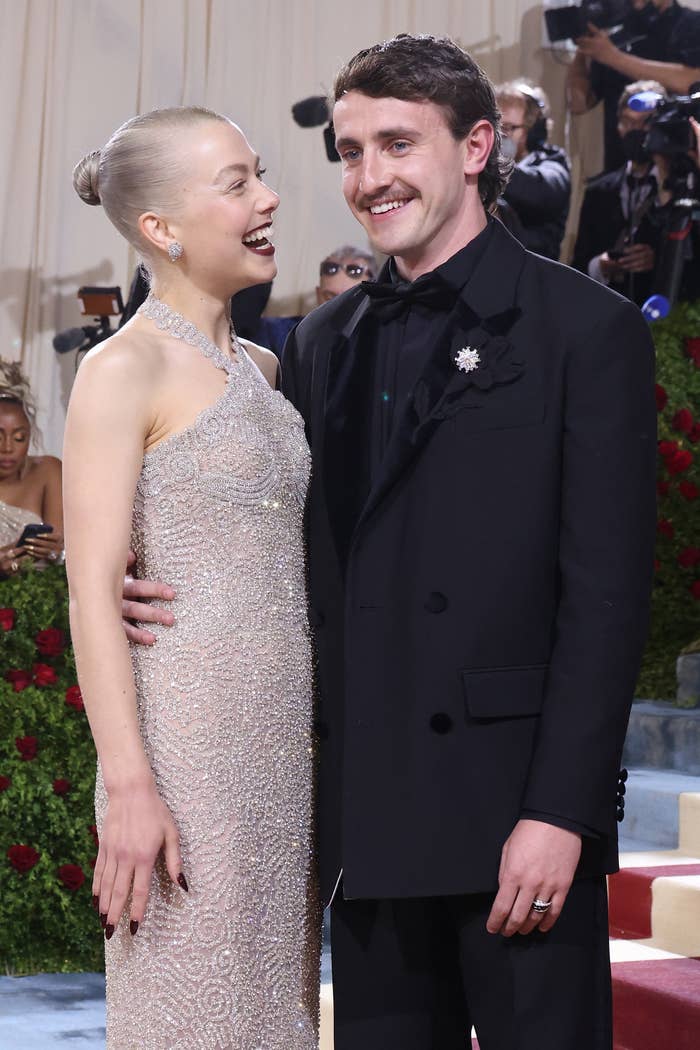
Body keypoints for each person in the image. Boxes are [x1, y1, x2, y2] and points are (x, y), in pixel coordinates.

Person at [123, 35, 657, 1050]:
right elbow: (278, 533)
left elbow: (605, 600)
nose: (369, 178)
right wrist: (137, 575)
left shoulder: (586, 330)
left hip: (513, 818)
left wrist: (562, 815)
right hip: (367, 820)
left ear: (475, 147)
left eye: (397, 145)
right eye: (351, 151)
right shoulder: (323, 340)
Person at [64, 106, 320, 1048]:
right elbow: (92, 589)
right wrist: (129, 785)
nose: (269, 197)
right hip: (182, 754)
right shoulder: (120, 369)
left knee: (270, 1013)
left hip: (281, 754)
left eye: (259, 174)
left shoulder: (263, 366)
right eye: (238, 182)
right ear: (160, 229)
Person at [566, 0, 700, 171]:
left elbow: (693, 82)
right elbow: (579, 103)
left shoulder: (692, 24)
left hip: (676, 162)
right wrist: (583, 47)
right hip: (621, 167)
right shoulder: (615, 39)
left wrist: (614, 58)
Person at [572, 79, 666, 305]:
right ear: (618, 127)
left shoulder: (680, 185)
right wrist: (600, 266)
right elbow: (578, 264)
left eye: (645, 123)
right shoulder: (598, 191)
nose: (636, 131)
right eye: (628, 122)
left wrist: (657, 259)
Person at [0, 359, 63, 577]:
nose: (7, 448)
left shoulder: (48, 471)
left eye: (19, 438)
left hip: (43, 601)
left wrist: (56, 551)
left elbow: (63, 552)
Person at [494, 81, 571, 260]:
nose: (500, 135)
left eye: (508, 128)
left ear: (533, 131)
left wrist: (489, 163)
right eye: (495, 126)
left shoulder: (553, 161)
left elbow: (541, 192)